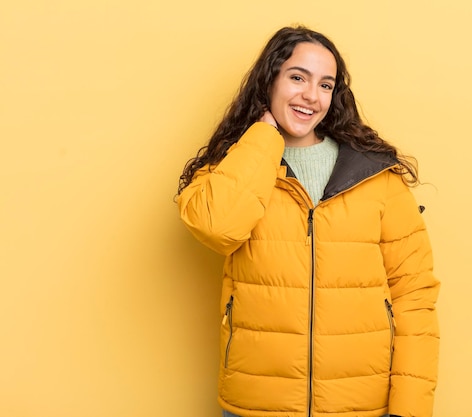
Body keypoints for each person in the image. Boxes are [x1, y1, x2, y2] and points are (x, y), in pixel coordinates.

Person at [176, 25, 440, 417]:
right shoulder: (235, 166)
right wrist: (265, 137)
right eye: (297, 77)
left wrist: (409, 411)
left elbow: (414, 298)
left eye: (326, 85)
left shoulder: (377, 177)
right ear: (269, 82)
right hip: (256, 404)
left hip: (362, 407)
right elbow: (217, 226)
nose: (311, 96)